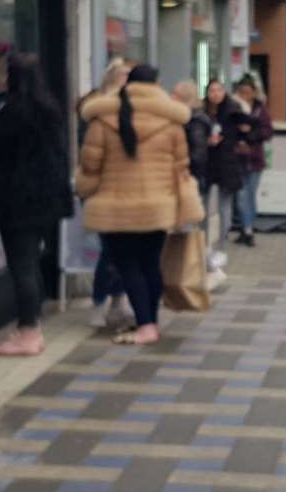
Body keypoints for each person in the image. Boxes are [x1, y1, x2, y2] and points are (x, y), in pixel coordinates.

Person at [76, 64, 203, 346]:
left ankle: (145, 325)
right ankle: (151, 321)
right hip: (158, 206)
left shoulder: (103, 119)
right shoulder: (171, 122)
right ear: (156, 85)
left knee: (127, 264)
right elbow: (181, 167)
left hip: (116, 206)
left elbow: (90, 165)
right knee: (149, 263)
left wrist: (85, 187)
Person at [0, 54, 73, 357]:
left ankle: (28, 331)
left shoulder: (15, 111)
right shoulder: (49, 108)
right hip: (44, 199)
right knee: (31, 260)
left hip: (18, 200)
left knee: (22, 264)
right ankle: (33, 324)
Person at [78, 61, 133, 330]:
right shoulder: (97, 113)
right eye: (126, 80)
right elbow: (89, 159)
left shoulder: (133, 111)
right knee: (109, 251)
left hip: (130, 192)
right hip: (104, 191)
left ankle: (117, 301)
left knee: (124, 251)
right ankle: (100, 302)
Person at [201, 79, 245, 266]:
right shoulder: (201, 112)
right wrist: (206, 142)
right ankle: (202, 245)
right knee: (202, 207)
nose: (215, 94)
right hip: (206, 164)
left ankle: (221, 244)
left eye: (219, 90)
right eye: (212, 90)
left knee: (224, 206)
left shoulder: (233, 110)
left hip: (226, 165)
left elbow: (244, 133)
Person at [232, 77, 273, 246]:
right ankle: (247, 229)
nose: (245, 96)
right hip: (237, 159)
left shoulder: (259, 109)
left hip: (254, 160)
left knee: (249, 196)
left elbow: (268, 132)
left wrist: (250, 133)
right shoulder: (233, 108)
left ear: (254, 93)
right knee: (242, 196)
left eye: (248, 93)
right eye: (242, 93)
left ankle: (247, 229)